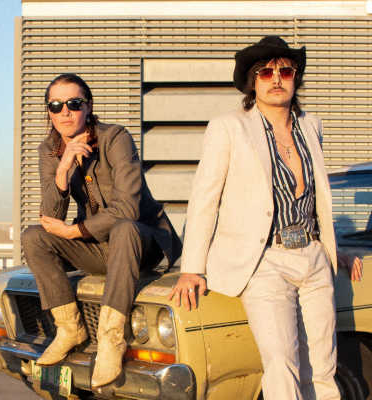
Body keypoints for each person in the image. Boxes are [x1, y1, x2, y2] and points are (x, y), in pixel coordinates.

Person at [171, 36, 363, 399]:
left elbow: (315, 201)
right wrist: (192, 267)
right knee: (282, 363)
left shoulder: (311, 126)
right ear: (252, 82)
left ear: (296, 78)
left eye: (285, 71)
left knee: (323, 366)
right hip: (265, 261)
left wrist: (331, 248)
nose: (276, 79)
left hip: (313, 257)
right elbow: (204, 200)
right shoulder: (230, 127)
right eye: (266, 73)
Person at [21, 73, 182, 388]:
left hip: (142, 243)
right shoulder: (49, 150)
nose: (65, 112)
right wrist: (63, 169)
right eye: (55, 106)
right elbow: (50, 218)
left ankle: (111, 339)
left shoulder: (115, 138)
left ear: (88, 106)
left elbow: (127, 209)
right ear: (48, 111)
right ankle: (70, 329)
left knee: (123, 228)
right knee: (33, 237)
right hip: (100, 246)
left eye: (73, 103)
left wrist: (74, 231)